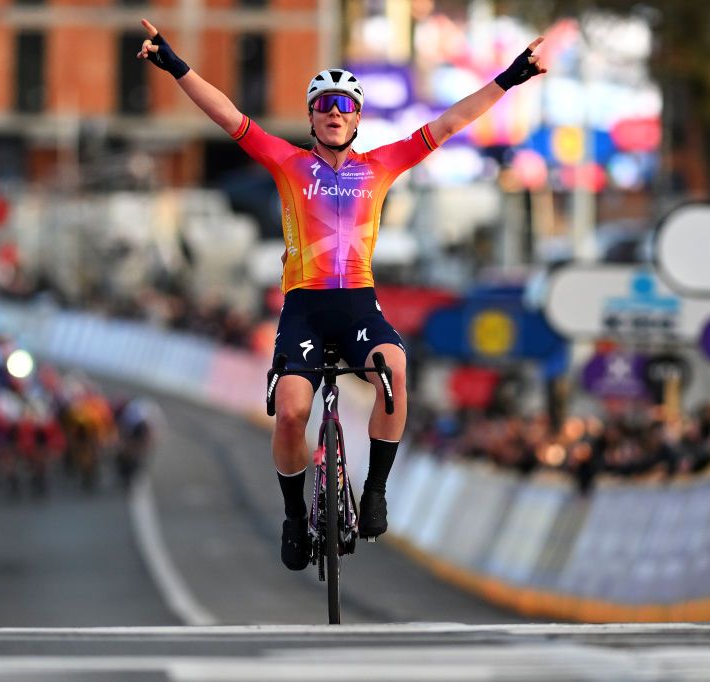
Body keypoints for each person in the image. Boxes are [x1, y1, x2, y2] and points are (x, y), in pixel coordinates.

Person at [138, 18, 546, 570]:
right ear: (311, 116)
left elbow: (451, 123)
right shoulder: (286, 163)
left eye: (345, 105)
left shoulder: (381, 165)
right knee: (289, 412)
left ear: (357, 117)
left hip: (358, 303)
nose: (334, 112)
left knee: (395, 371)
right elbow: (226, 113)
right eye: (324, 103)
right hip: (304, 307)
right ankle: (291, 516)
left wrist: (511, 77)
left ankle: (375, 488)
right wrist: (174, 63)